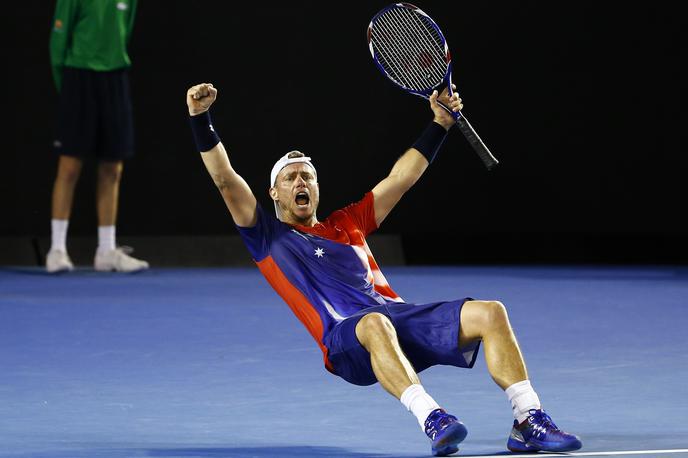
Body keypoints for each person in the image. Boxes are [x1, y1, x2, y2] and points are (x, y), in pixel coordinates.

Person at [186, 82, 582, 455]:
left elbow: (400, 179)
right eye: (290, 178)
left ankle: (528, 419)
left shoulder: (348, 222)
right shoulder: (267, 237)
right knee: (375, 322)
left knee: (491, 313)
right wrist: (200, 118)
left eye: (307, 175)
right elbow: (224, 179)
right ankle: (433, 418)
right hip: (346, 340)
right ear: (274, 192)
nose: (300, 181)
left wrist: (440, 125)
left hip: (398, 319)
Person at [46, 0, 148, 273]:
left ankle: (106, 250)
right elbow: (58, 45)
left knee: (113, 167)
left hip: (114, 80)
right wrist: (68, 91)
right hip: (78, 78)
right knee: (69, 166)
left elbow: (123, 35)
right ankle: (57, 249)